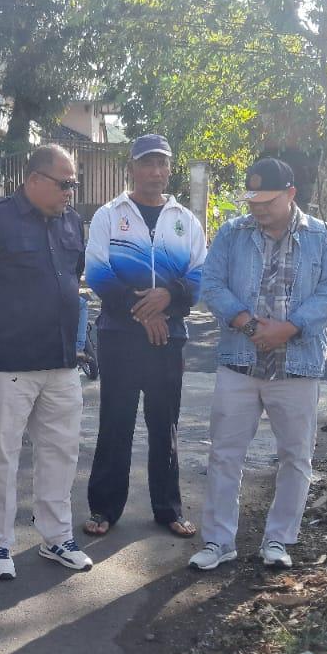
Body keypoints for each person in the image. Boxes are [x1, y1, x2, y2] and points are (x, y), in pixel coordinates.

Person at [190, 158, 327, 572]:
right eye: (253, 199)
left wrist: (289, 329)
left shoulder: (321, 237)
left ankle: (278, 540)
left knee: (295, 457)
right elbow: (211, 284)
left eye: (267, 200)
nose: (257, 207)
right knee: (224, 455)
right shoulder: (233, 233)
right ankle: (218, 542)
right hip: (239, 363)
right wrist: (248, 323)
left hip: (297, 365)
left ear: (291, 194)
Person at [0, 144, 92, 579]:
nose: (70, 191)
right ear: (34, 180)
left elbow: (73, 277)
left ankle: (57, 536)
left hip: (61, 362)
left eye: (73, 184)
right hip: (7, 362)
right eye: (65, 184)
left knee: (61, 452)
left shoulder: (71, 221)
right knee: (0, 456)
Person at [83, 134, 207, 539]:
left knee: (164, 423)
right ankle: (104, 508)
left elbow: (199, 275)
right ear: (131, 168)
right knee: (115, 422)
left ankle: (168, 508)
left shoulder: (185, 220)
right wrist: (143, 314)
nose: (156, 171)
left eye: (162, 163)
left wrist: (169, 300)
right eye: (147, 163)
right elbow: (98, 273)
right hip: (119, 335)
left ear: (170, 168)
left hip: (168, 337)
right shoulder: (109, 215)